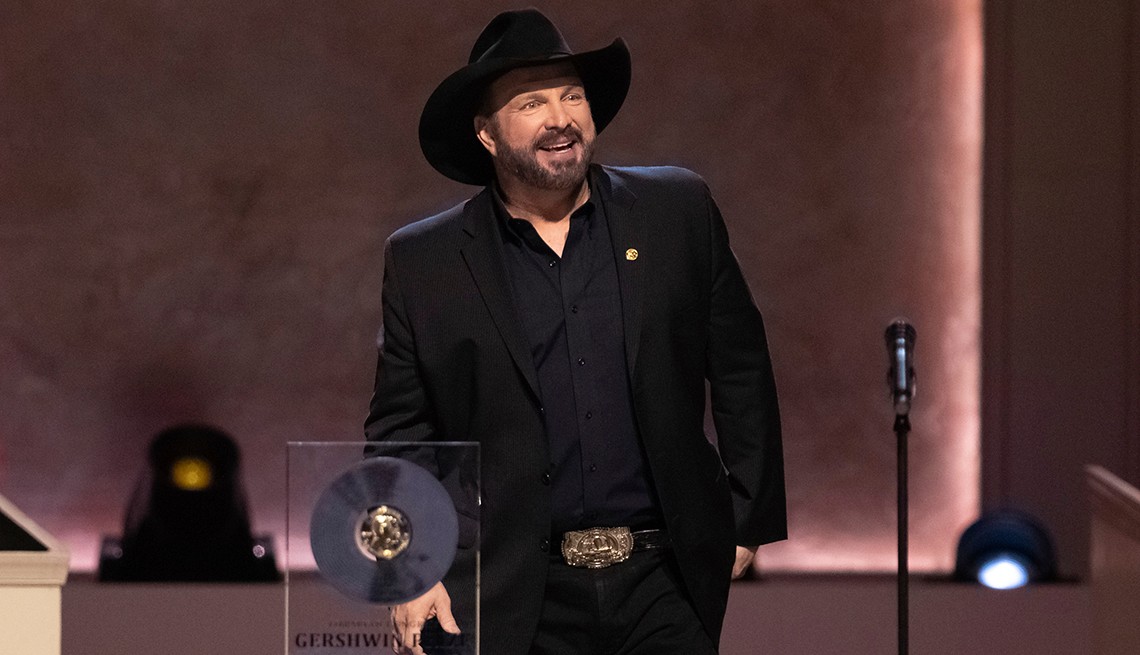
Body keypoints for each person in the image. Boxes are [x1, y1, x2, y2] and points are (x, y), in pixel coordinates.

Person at [365, 8, 786, 655]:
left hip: (663, 582)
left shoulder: (677, 211)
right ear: (486, 134)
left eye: (572, 94)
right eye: (531, 101)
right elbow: (402, 433)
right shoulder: (426, 260)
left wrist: (745, 517)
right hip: (509, 590)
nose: (560, 116)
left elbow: (740, 367)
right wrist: (407, 564)